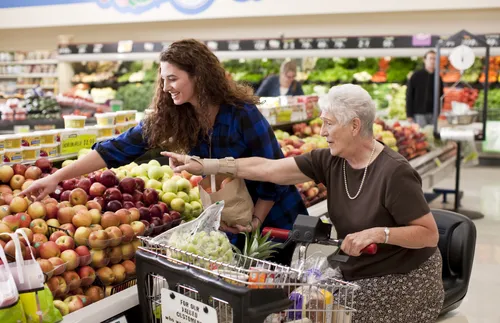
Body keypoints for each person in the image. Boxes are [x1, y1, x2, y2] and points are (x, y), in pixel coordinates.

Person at [165, 84, 445, 323]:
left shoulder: (394, 172)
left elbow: (429, 234)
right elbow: (270, 169)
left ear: (355, 125)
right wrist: (208, 165)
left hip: (404, 276)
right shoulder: (331, 160)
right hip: (355, 270)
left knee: (331, 314)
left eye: (329, 123)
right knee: (296, 306)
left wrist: (379, 233)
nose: (322, 131)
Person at [21, 39, 308, 266]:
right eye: (163, 79)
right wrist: (56, 178)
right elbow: (117, 149)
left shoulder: (241, 114)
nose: (165, 87)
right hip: (233, 224)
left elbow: (274, 170)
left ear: (199, 76)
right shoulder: (176, 116)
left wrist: (256, 222)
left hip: (275, 221)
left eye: (173, 79)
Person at [406, 50, 444, 128]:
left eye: (435, 59)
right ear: (425, 60)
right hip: (419, 113)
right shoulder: (416, 76)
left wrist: (439, 111)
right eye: (430, 58)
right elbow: (409, 95)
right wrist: (409, 114)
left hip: (433, 113)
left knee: (432, 135)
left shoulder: (438, 77)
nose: (432, 61)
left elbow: (441, 95)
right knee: (421, 135)